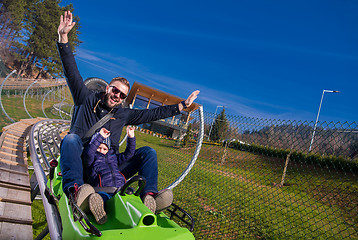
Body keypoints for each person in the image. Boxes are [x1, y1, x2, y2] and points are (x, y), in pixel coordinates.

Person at [57, 10, 200, 220]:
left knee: (148, 152)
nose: (117, 95)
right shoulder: (86, 98)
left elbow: (152, 114)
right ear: (108, 88)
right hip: (85, 160)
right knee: (70, 139)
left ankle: (149, 197)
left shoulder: (122, 114)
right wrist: (63, 38)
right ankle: (76, 191)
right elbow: (72, 72)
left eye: (122, 94)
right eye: (114, 90)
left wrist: (180, 106)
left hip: (110, 164)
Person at [80, 126, 136, 224]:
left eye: (104, 148)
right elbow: (89, 153)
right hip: (103, 188)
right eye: (99, 148)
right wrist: (100, 137)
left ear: (108, 149)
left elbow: (129, 154)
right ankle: (99, 210)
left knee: (129, 199)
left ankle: (134, 212)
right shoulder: (91, 159)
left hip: (120, 188)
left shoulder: (113, 157)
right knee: (102, 198)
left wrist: (131, 137)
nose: (101, 151)